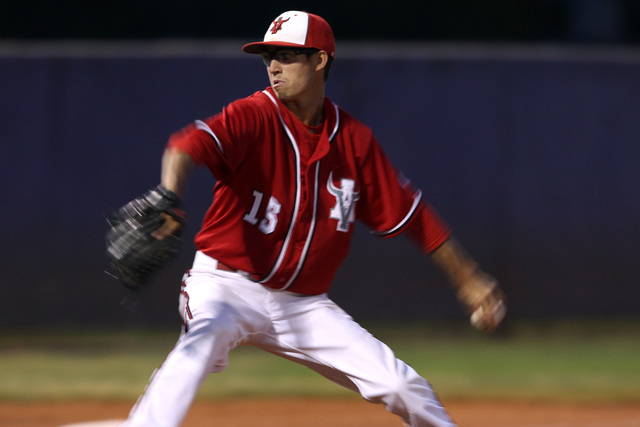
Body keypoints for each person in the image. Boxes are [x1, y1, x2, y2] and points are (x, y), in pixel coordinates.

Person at [121, 10, 506, 427]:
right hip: (225, 286)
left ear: (319, 60)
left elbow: (412, 214)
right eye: (268, 56)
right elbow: (186, 145)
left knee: (400, 385)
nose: (273, 66)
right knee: (199, 344)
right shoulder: (255, 115)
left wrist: (468, 277)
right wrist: (169, 195)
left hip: (301, 305)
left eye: (286, 56)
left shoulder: (354, 141)